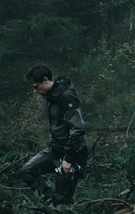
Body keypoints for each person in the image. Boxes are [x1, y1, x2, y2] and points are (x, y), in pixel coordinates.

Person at [20, 63, 88, 204]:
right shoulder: (52, 95)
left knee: (63, 199)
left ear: (45, 80)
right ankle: (51, 204)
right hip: (56, 149)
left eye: (35, 86)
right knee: (27, 170)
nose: (35, 91)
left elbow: (77, 130)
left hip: (72, 153)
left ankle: (61, 211)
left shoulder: (66, 96)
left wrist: (68, 160)